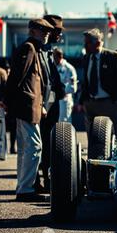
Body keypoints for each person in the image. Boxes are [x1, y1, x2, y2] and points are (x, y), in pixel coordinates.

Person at [3, 18, 54, 202]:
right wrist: (6, 99)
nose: (47, 33)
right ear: (32, 31)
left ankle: (23, 187)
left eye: (48, 31)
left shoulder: (33, 48)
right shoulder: (29, 48)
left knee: (26, 148)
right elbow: (17, 76)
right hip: (26, 106)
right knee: (34, 146)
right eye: (43, 30)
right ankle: (25, 189)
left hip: (28, 106)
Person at [80, 28, 117, 141]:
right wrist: (83, 101)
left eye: (88, 43)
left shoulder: (114, 57)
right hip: (91, 104)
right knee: (93, 138)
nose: (85, 46)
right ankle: (93, 157)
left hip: (110, 104)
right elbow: (86, 81)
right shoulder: (86, 58)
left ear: (98, 43)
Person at [35, 14, 66, 193]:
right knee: (40, 147)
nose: (60, 35)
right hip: (43, 107)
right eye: (58, 31)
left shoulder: (48, 50)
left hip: (50, 106)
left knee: (47, 146)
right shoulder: (39, 50)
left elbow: (52, 81)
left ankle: (45, 180)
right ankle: (36, 181)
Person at [0, 58, 17, 154]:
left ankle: (12, 147)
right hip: (4, 106)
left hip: (11, 108)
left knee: (13, 129)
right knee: (1, 129)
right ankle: (2, 149)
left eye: (8, 69)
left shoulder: (12, 78)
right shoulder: (2, 78)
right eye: (6, 69)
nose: (7, 71)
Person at [53, 48, 77, 122]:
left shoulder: (69, 68)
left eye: (54, 57)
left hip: (64, 101)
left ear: (60, 56)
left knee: (64, 123)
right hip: (52, 99)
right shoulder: (52, 67)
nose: (53, 59)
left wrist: (59, 91)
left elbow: (73, 88)